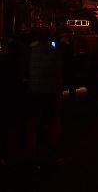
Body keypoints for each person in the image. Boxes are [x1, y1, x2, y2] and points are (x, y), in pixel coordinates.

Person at [25, 32, 62, 170]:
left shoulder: (31, 51)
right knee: (51, 123)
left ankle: (32, 154)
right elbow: (57, 74)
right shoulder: (52, 52)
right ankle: (50, 154)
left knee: (33, 124)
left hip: (33, 91)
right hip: (48, 91)